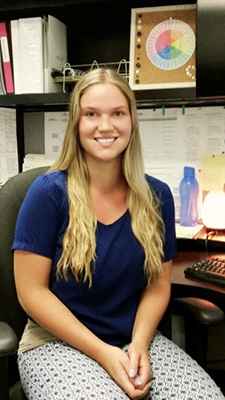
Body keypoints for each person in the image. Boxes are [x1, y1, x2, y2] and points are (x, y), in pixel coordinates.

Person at [12, 68, 224, 400]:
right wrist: (104, 354)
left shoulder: (157, 197)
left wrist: (139, 344)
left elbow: (157, 284)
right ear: (76, 124)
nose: (106, 126)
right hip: (55, 341)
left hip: (132, 339)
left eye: (118, 113)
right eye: (92, 114)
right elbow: (31, 293)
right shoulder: (48, 194)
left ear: (131, 122)